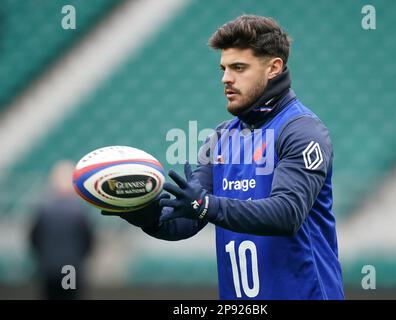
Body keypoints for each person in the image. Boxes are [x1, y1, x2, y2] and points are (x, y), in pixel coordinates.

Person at [103, 15, 344, 300]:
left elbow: (287, 213)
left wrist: (206, 205)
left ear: (273, 68)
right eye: (224, 68)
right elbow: (184, 220)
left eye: (238, 68)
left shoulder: (302, 130)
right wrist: (140, 211)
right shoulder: (220, 138)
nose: (226, 78)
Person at [30, 160, 94, 300]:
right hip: (69, 268)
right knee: (68, 296)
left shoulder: (43, 210)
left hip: (47, 268)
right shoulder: (78, 211)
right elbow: (88, 241)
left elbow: (34, 239)